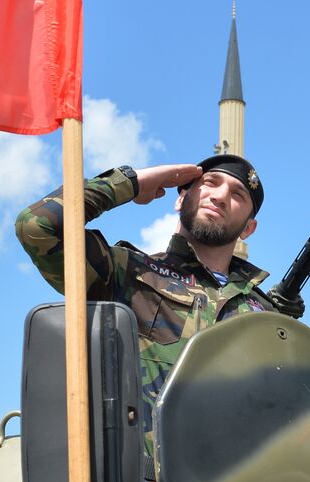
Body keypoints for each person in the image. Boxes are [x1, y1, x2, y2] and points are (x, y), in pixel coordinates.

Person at [15, 155, 295, 414]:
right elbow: (37, 226)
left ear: (248, 228)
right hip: (141, 468)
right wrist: (131, 183)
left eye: (238, 195)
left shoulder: (264, 314)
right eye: (210, 183)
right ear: (180, 199)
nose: (221, 196)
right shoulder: (128, 271)